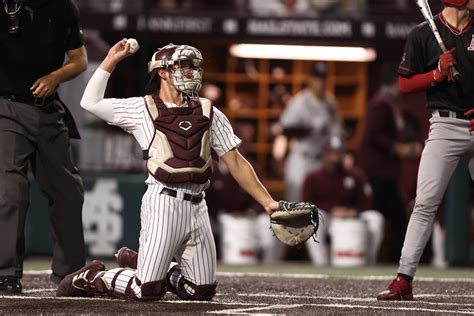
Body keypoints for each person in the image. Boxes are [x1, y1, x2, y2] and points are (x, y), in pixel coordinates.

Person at [56, 40, 279, 301]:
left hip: (198, 205)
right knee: (147, 289)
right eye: (183, 66)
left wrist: (268, 202)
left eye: (194, 66)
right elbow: (90, 102)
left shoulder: (208, 111)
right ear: (162, 72)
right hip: (164, 202)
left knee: (200, 290)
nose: (191, 72)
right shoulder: (142, 108)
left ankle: (146, 263)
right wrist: (111, 60)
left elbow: (236, 161)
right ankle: (94, 277)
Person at [377, 0, 474, 301]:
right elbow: (405, 85)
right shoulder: (422, 34)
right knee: (425, 203)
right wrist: (437, 74)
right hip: (445, 126)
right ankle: (403, 279)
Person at [0, 0, 87, 294]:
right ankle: (6, 273)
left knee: (68, 191)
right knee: (10, 190)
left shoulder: (63, 7)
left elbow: (79, 59)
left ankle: (72, 273)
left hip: (49, 110)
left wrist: (56, 76)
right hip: (7, 105)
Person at [357, 65, 422, 263]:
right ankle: (382, 260)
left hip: (385, 173)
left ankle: (391, 260)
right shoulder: (382, 103)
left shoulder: (392, 102)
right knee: (384, 218)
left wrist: (404, 147)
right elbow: (372, 135)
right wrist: (397, 148)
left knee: (396, 219)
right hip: (375, 172)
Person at [302, 137, 384, 266]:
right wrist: (331, 210)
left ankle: (369, 261)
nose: (335, 156)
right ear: (325, 154)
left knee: (376, 218)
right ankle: (321, 264)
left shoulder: (356, 174)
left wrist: (353, 211)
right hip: (328, 217)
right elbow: (306, 204)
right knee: (309, 219)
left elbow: (367, 202)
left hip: (352, 216)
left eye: (339, 152)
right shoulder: (313, 176)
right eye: (332, 152)